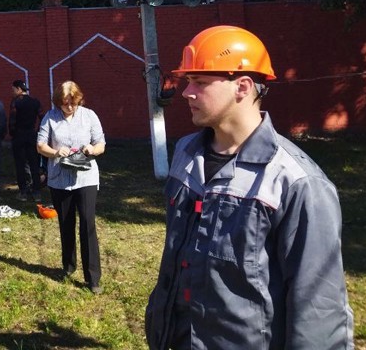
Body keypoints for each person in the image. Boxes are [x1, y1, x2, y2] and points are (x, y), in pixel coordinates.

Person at [145, 26, 353, 349]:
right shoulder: (185, 154)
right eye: (188, 82)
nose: (186, 92)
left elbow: (319, 311)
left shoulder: (296, 182)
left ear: (242, 86)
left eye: (199, 82)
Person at [37, 80, 105, 293]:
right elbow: (40, 146)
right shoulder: (50, 117)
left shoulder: (89, 116)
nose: (69, 107)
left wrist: (91, 150)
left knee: (87, 224)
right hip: (59, 179)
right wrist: (56, 152)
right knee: (66, 223)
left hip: (86, 178)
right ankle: (68, 266)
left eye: (72, 103)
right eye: (64, 103)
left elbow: (101, 144)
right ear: (58, 102)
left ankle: (93, 278)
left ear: (78, 100)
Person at [9, 80, 43, 200]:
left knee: (20, 164)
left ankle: (23, 192)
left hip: (19, 136)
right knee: (34, 164)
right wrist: (37, 131)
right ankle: (37, 191)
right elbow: (42, 118)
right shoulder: (35, 102)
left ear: (18, 89)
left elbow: (12, 121)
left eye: (13, 89)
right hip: (32, 136)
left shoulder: (15, 103)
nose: (12, 92)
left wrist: (12, 134)